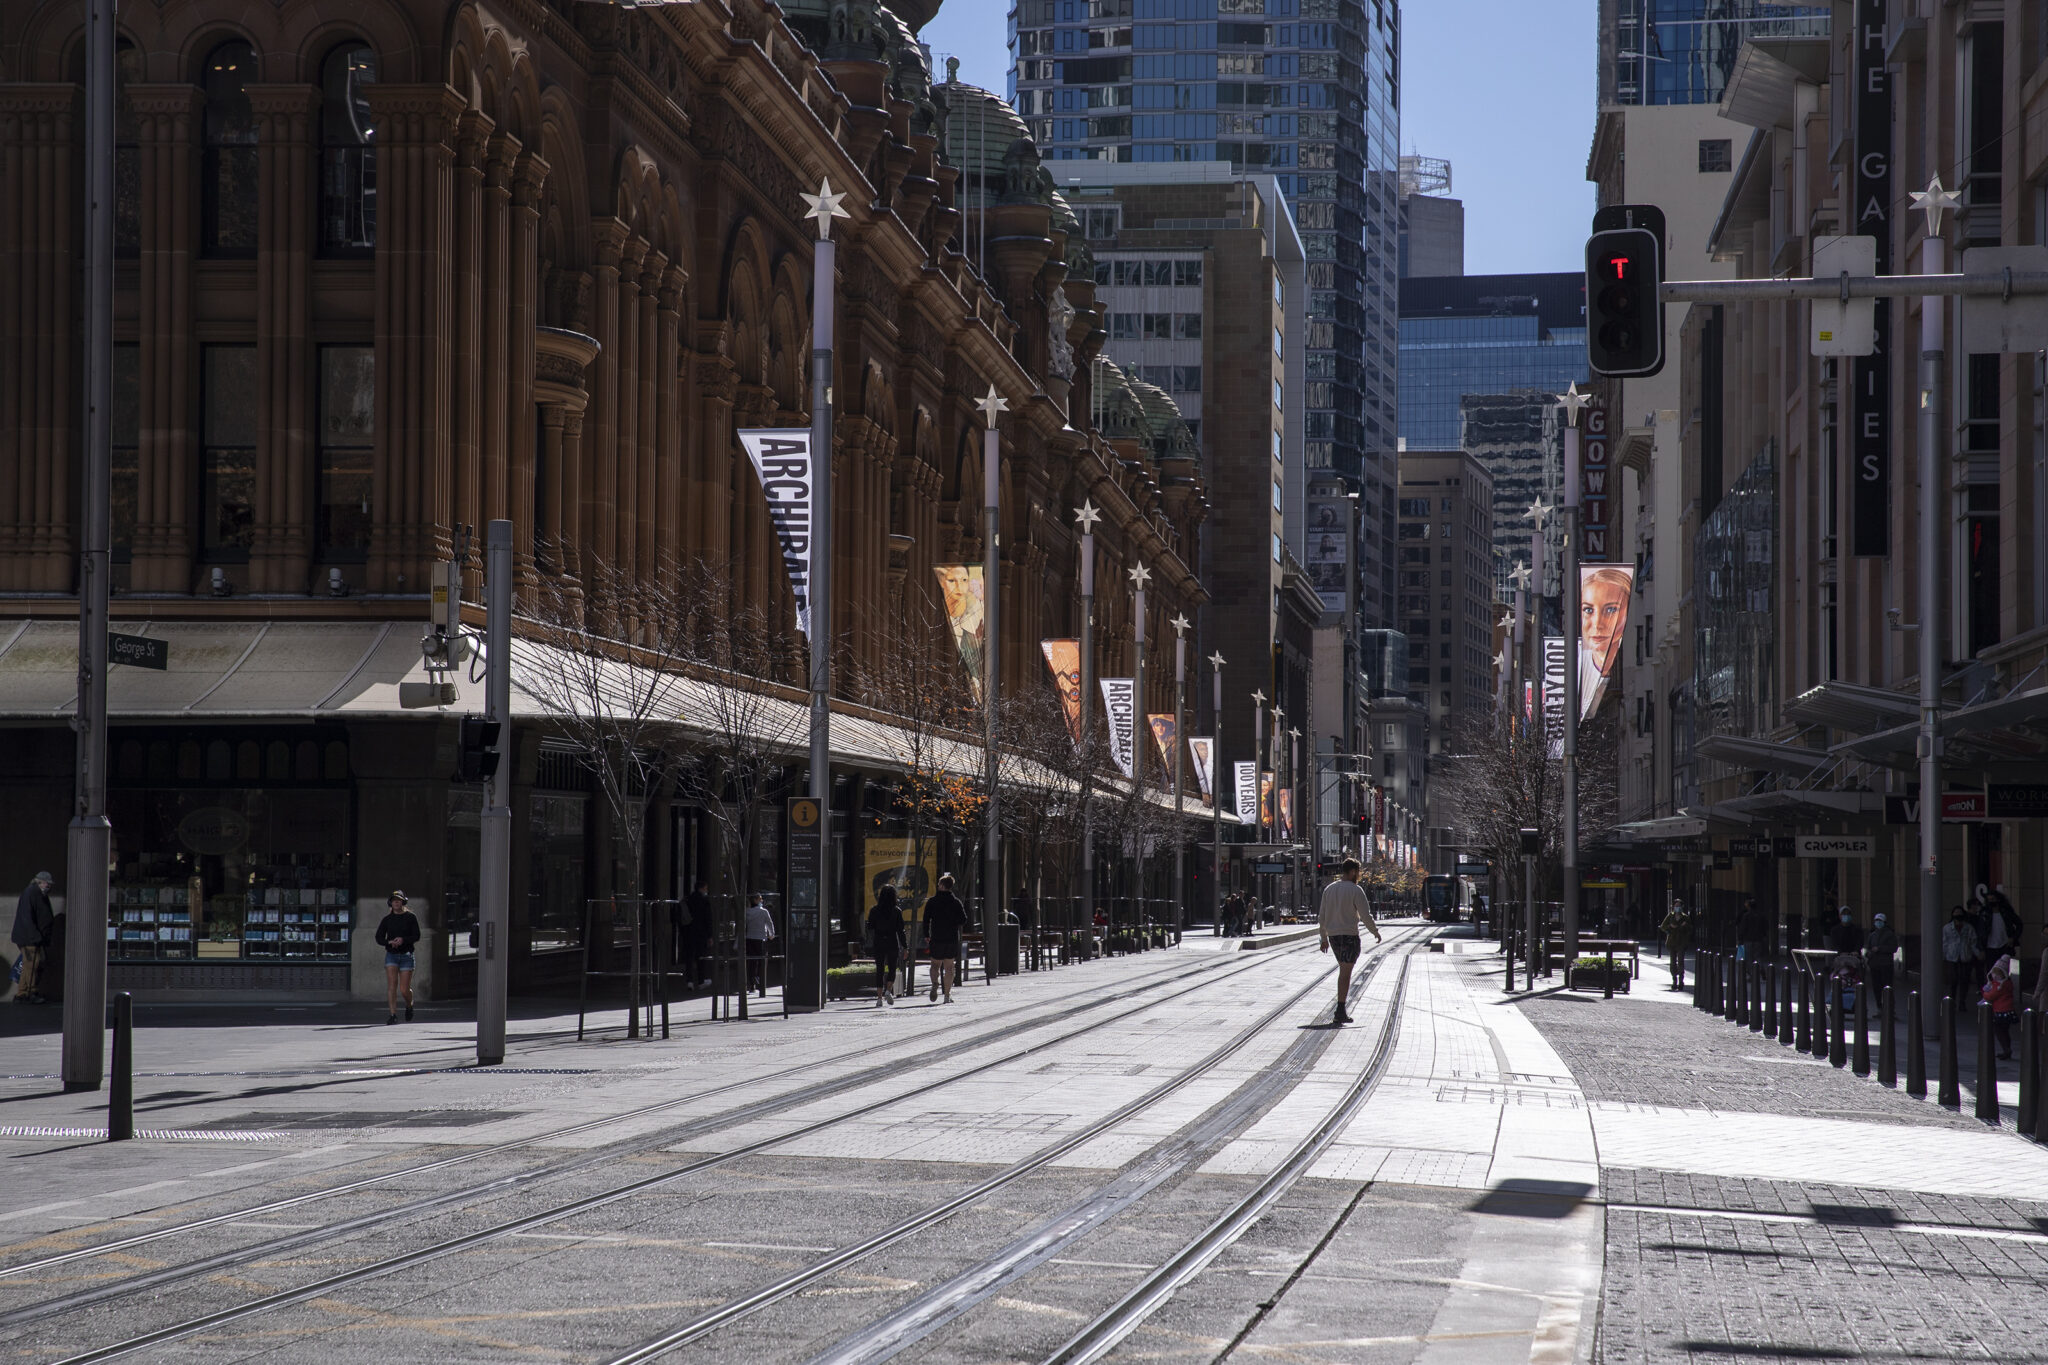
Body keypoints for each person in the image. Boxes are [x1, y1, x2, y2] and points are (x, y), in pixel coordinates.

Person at [1317, 859, 1381, 1025]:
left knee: (1343, 971)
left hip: (1334, 937)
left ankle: (1341, 1008)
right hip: (1349, 936)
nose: (1358, 875)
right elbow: (1365, 914)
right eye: (1357, 872)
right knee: (1345, 973)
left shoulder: (1329, 889)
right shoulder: (1355, 890)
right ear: (1353, 871)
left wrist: (1323, 938)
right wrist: (1374, 931)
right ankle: (1340, 1009)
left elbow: (1322, 916)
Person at [374, 890, 422, 1025]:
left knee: (404, 988)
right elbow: (378, 937)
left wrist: (403, 940)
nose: (396, 902)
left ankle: (409, 1005)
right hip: (391, 955)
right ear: (390, 903)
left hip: (406, 955)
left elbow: (416, 936)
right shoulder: (387, 919)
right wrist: (389, 942)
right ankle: (393, 1014)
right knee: (392, 985)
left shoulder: (411, 917)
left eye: (399, 900)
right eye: (394, 900)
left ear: (403, 902)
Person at [10, 871, 55, 1005]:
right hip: (30, 938)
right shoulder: (31, 893)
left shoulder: (36, 893)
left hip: (31, 937)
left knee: (28, 965)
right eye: (47, 883)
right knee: (32, 965)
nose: (49, 886)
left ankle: (22, 993)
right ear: (40, 882)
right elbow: (27, 917)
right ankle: (30, 992)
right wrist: (35, 936)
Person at [924, 873, 969, 1003]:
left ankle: (934, 983)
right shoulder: (955, 902)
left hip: (937, 937)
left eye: (939, 884)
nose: (938, 886)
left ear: (942, 886)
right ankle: (947, 995)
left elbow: (926, 919)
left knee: (934, 965)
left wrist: (927, 935)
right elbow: (963, 919)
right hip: (951, 938)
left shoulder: (932, 901)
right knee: (949, 967)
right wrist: (952, 920)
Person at [867, 884, 907, 1007]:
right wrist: (905, 947)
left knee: (879, 969)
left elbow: (870, 927)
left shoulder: (874, 910)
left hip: (879, 941)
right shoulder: (896, 911)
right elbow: (901, 931)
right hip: (892, 941)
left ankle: (879, 998)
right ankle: (888, 990)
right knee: (892, 968)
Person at [1941, 905, 1981, 1016]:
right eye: (1956, 913)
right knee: (1953, 981)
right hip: (1951, 957)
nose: (1958, 915)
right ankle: (1952, 1001)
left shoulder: (1969, 928)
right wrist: (1943, 956)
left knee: (1964, 980)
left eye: (1960, 913)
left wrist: (1978, 954)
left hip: (1965, 956)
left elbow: (1973, 942)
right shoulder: (1947, 928)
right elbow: (1944, 943)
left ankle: (1962, 1002)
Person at [1982, 956, 2019, 1060]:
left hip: (2000, 1011)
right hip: (2008, 1011)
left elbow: (1990, 996)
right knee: (2005, 1031)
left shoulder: (2000, 986)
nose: (1994, 975)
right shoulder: (2006, 983)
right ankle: (2007, 1049)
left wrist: (1984, 992)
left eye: (1996, 973)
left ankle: (2006, 1049)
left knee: (1999, 1031)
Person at [1864, 911, 1899, 1010]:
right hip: (1874, 965)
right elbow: (1868, 948)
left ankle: (1889, 1008)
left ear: (1884, 922)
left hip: (1886, 964)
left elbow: (1893, 948)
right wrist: (1869, 954)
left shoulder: (1890, 934)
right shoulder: (1872, 935)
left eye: (1880, 921)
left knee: (1887, 986)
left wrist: (1880, 949)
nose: (1878, 923)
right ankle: (1879, 1007)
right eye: (1876, 921)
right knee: (1876, 987)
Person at [744, 892, 776, 996]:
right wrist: (771, 934)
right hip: (760, 938)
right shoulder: (763, 912)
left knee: (751, 961)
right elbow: (769, 923)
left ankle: (751, 983)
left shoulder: (747, 912)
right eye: (760, 899)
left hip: (749, 938)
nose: (762, 901)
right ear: (756, 900)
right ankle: (759, 981)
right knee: (761, 961)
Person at [684, 879, 713, 989]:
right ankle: (701, 980)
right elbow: (708, 919)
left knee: (689, 957)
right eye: (705, 888)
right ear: (701, 889)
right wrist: (710, 935)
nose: (707, 891)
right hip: (701, 933)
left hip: (688, 932)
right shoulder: (704, 901)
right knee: (700, 957)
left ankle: (689, 981)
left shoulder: (688, 900)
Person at [1659, 900, 1694, 991]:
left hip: (1681, 942)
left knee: (1681, 961)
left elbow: (1691, 929)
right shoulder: (1670, 916)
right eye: (1676, 905)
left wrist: (1684, 926)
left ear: (1682, 907)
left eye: (1679, 906)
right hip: (1672, 942)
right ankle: (1674, 980)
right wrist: (1670, 927)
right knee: (1673, 962)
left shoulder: (1685, 917)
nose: (1677, 907)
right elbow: (1663, 926)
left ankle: (1681, 981)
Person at [1736, 897, 1770, 962]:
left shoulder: (1746, 916)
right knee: (1758, 956)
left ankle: (1751, 971)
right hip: (1758, 940)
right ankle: (1759, 969)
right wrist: (1764, 936)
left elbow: (1743, 928)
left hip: (1748, 940)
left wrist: (1740, 939)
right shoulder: (1761, 916)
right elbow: (1766, 927)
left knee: (1749, 957)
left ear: (1749, 907)